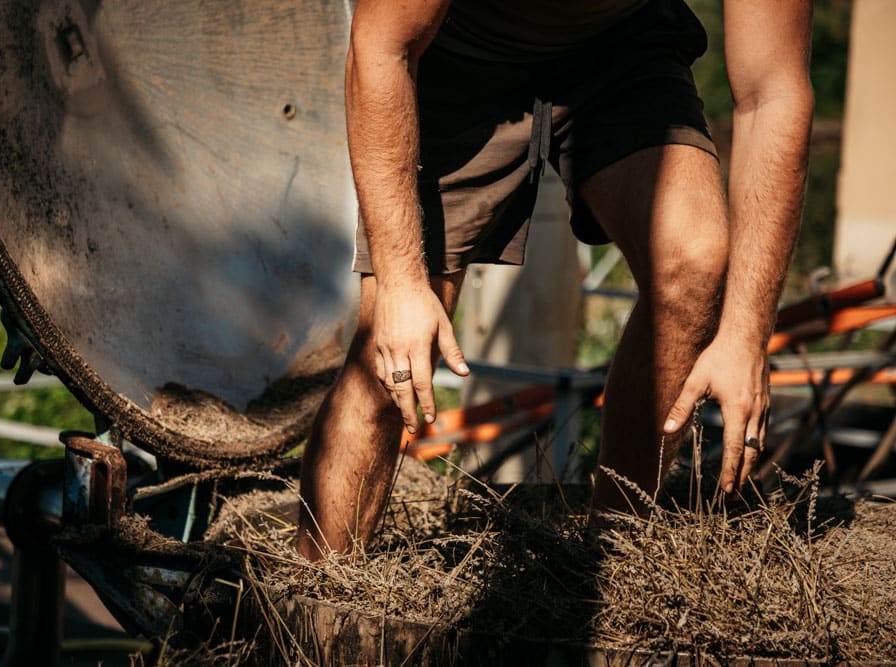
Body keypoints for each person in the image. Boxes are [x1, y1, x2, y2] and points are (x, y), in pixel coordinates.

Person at [297, 0, 813, 559]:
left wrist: (745, 331)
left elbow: (773, 93)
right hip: (456, 43)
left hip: (621, 45)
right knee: (390, 355)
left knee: (694, 264)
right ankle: (313, 589)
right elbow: (381, 45)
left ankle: (611, 563)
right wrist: (400, 282)